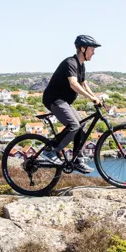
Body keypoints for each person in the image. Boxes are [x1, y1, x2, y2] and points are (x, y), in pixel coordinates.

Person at [40, 35, 104, 172]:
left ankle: (77, 160)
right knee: (74, 125)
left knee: (81, 125)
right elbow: (73, 84)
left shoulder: (81, 66)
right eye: (92, 49)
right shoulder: (70, 63)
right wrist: (91, 98)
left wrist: (95, 97)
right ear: (82, 48)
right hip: (54, 99)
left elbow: (83, 83)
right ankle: (49, 151)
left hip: (64, 101)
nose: (94, 52)